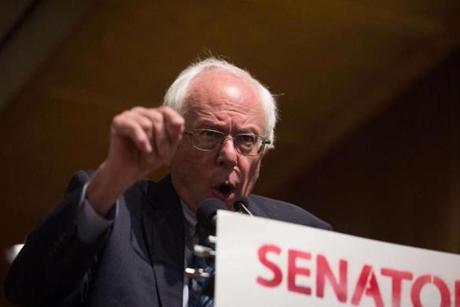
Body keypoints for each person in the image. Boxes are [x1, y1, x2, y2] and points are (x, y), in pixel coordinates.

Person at [5, 58, 331, 307]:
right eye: (209, 134)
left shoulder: (302, 237)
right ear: (174, 139)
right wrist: (111, 181)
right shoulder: (115, 209)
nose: (229, 155)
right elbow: (28, 291)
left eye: (246, 139)